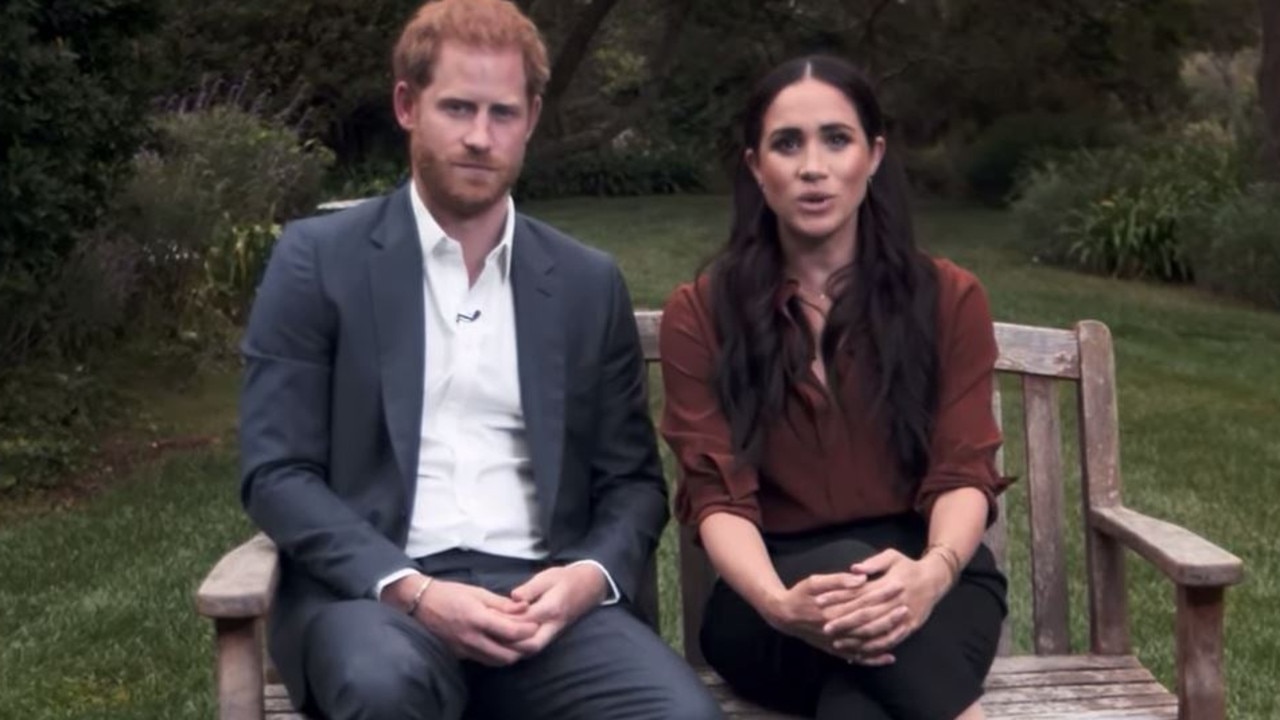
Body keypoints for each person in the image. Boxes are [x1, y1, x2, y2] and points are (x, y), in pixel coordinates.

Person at [239, 1, 723, 718]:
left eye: (502, 113)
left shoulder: (586, 284)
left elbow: (632, 483)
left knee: (678, 715)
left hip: (544, 604)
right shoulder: (318, 262)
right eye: (457, 108)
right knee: (383, 687)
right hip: (378, 601)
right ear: (408, 105)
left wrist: (585, 578)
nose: (478, 137)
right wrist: (415, 590)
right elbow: (276, 472)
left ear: (530, 117)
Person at [659, 54, 1009, 720]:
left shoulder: (948, 299)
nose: (813, 166)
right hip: (768, 602)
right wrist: (777, 604)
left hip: (934, 583)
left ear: (873, 156)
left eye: (837, 139)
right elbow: (717, 496)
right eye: (787, 144)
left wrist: (931, 577)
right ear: (757, 167)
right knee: (853, 567)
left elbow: (962, 471)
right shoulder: (702, 313)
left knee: (858, 706)